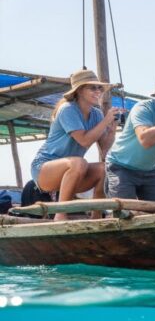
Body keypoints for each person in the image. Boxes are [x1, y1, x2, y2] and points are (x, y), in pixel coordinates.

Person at [30, 69, 122, 221]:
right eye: (93, 87)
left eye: (100, 88)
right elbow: (84, 140)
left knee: (105, 168)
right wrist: (105, 121)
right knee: (78, 162)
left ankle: (97, 216)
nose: (98, 91)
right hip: (44, 169)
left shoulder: (97, 114)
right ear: (79, 90)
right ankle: (60, 214)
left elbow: (104, 149)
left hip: (74, 171)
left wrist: (111, 131)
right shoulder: (67, 109)